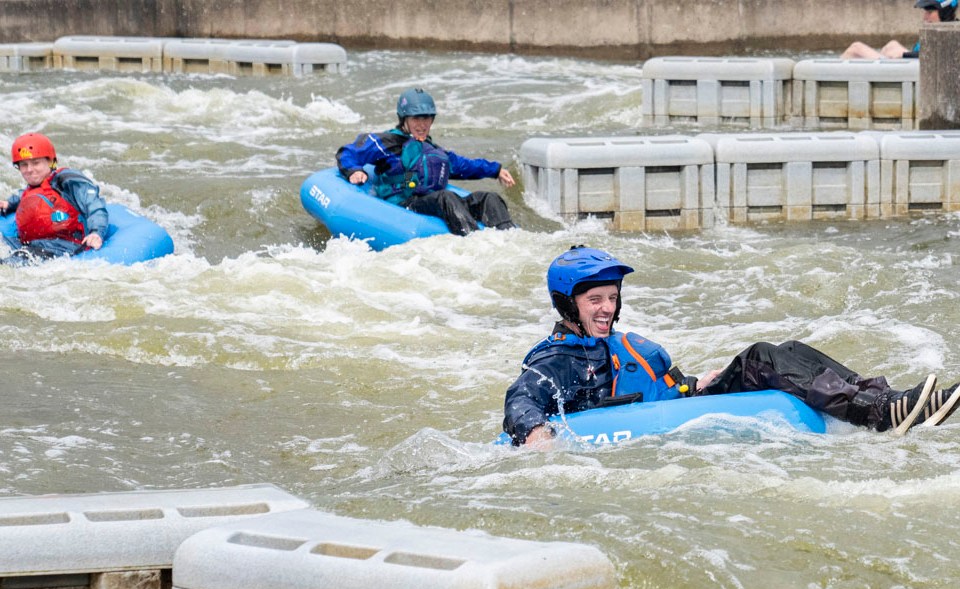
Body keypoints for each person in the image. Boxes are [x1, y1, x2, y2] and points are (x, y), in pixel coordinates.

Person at [503, 246, 960, 446]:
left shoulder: (616, 342)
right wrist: (540, 439)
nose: (607, 307)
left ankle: (883, 401)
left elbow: (665, 384)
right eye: (595, 299)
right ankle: (880, 413)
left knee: (774, 352)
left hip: (684, 403)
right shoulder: (557, 357)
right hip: (618, 430)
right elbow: (522, 399)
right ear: (568, 302)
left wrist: (695, 383)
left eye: (612, 297)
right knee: (763, 357)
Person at [335, 88, 517, 236]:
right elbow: (348, 152)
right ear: (404, 119)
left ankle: (511, 241)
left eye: (427, 118)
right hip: (406, 203)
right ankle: (476, 243)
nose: (422, 124)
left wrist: (496, 170)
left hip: (435, 201)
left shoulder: (434, 150)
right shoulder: (386, 142)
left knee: (489, 198)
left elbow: (463, 166)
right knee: (445, 196)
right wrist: (353, 170)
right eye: (416, 118)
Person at [0, 132, 108, 264]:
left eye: (36, 163)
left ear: (50, 162)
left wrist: (96, 232)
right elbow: (23, 196)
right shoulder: (30, 189)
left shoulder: (68, 181)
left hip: (64, 246)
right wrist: (8, 204)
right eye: (24, 165)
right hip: (32, 245)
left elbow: (95, 207)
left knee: (16, 261)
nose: (29, 169)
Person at [840, 0, 957, 59]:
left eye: (929, 12)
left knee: (856, 48)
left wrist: (904, 54)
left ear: (945, 12)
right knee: (892, 45)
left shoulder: (953, 34)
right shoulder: (939, 31)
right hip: (910, 66)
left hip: (916, 72)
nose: (925, 17)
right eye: (925, 12)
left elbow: (941, 56)